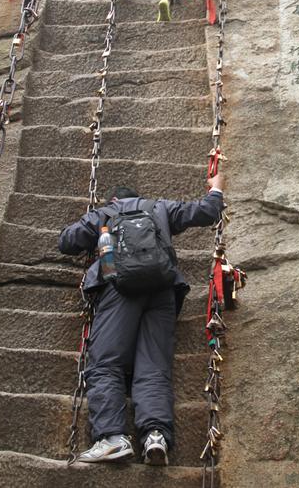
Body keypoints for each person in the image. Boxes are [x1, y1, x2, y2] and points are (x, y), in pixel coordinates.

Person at [58, 173, 224, 465]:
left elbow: (67, 241)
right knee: (154, 367)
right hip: (162, 290)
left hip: (118, 289)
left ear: (114, 199)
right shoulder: (159, 207)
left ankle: (111, 438)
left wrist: (96, 234)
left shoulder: (105, 213)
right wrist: (216, 189)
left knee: (106, 363)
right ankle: (154, 435)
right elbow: (207, 212)